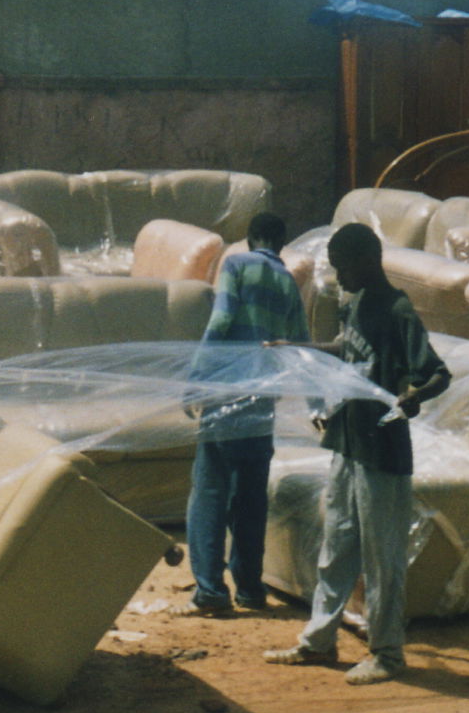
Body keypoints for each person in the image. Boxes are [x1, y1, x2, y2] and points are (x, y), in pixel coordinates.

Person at [264, 221, 449, 684]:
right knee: (337, 546)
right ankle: (318, 641)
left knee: (382, 557)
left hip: (382, 450)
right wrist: (298, 349)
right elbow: (346, 354)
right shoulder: (356, 304)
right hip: (347, 443)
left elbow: (437, 373)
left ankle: (387, 654)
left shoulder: (397, 309)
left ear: (367, 262)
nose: (338, 277)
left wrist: (413, 397)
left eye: (342, 268)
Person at [179, 212, 308, 618]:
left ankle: (210, 590)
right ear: (280, 243)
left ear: (250, 240)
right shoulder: (288, 282)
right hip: (261, 400)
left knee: (211, 490)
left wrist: (197, 376)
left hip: (227, 392)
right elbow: (301, 345)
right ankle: (250, 589)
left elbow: (220, 322)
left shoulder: (235, 265)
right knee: (251, 497)